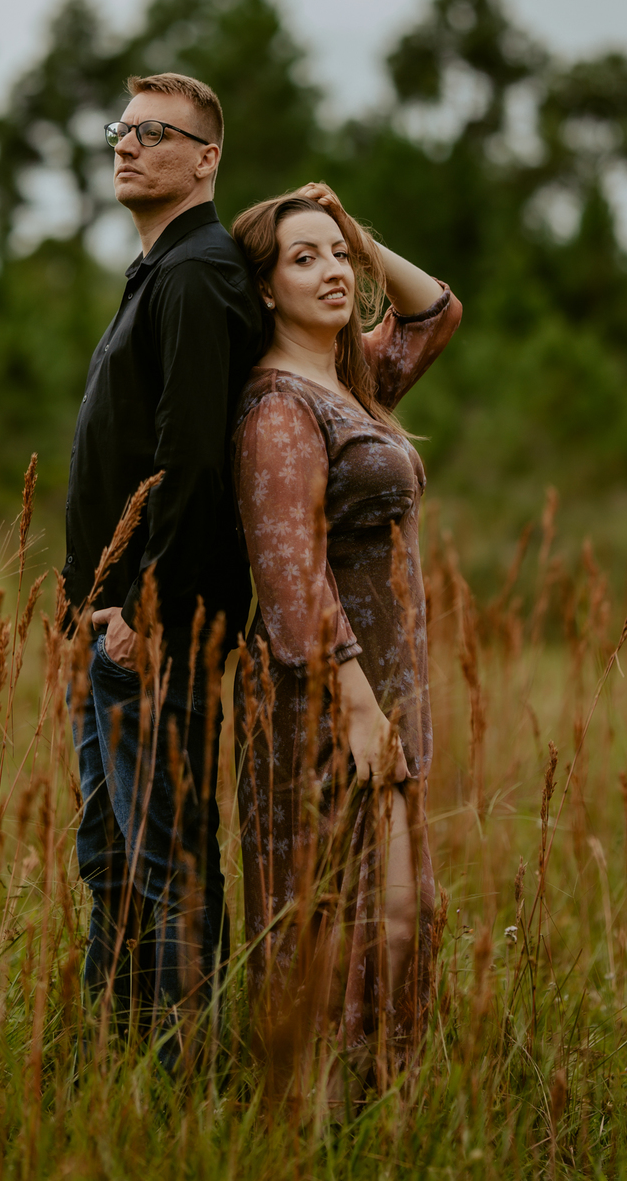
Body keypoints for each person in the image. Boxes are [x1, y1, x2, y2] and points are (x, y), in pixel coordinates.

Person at [230, 183, 461, 1096]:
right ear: (263, 289)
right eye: (304, 257)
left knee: (405, 918)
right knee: (341, 918)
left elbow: (434, 313)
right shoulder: (279, 409)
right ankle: (312, 1110)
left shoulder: (353, 382)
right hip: (325, 702)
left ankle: (379, 1111)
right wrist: (361, 711)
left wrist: (360, 235)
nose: (331, 271)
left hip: (389, 698)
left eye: (337, 255)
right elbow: (292, 584)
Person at [62, 72, 262, 1055]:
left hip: (154, 635)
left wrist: (143, 611)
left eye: (154, 133)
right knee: (111, 853)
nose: (127, 145)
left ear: (206, 159)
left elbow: (191, 459)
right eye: (122, 129)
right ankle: (118, 1051)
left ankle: (185, 1072)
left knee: (167, 859)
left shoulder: (194, 272)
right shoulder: (159, 269)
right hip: (108, 631)